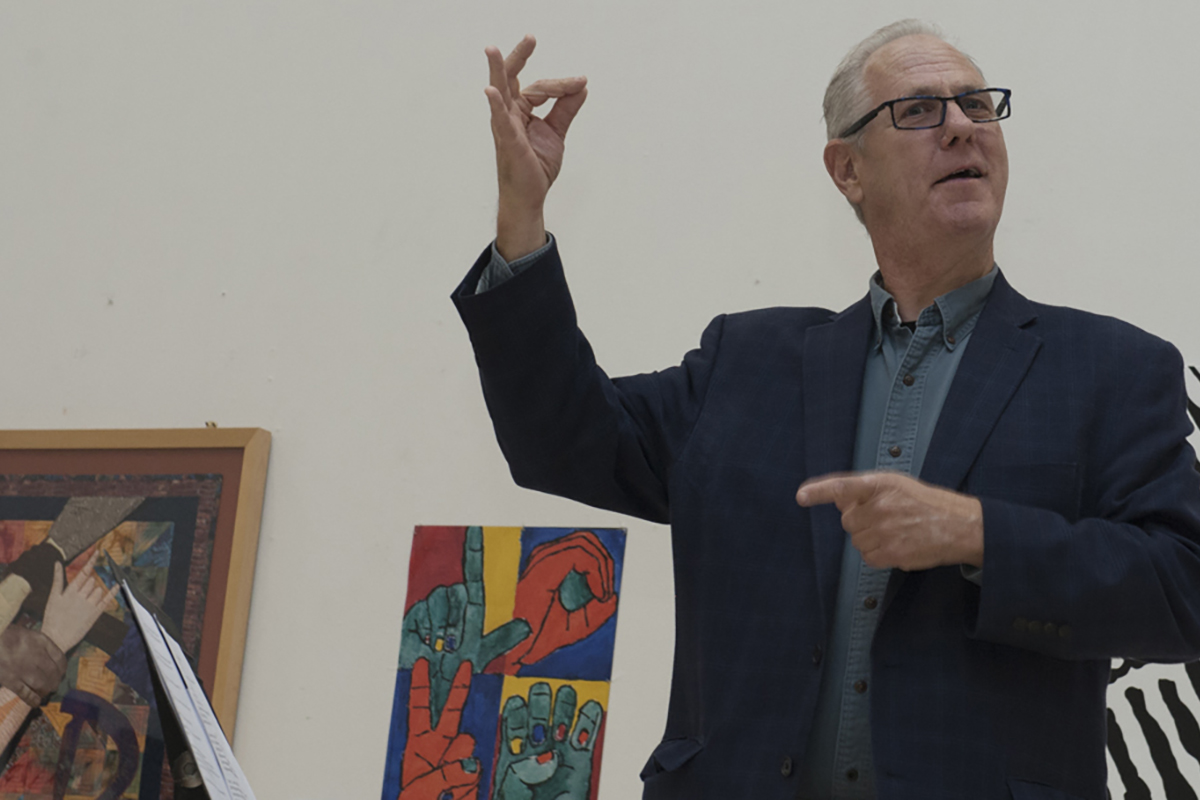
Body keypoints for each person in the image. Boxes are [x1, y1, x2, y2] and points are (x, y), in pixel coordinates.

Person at [451, 19, 1200, 800]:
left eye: (977, 105)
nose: (960, 127)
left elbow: (1184, 590)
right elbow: (561, 440)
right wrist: (521, 217)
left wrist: (979, 534)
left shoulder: (1109, 370)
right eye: (919, 110)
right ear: (848, 170)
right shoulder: (748, 363)